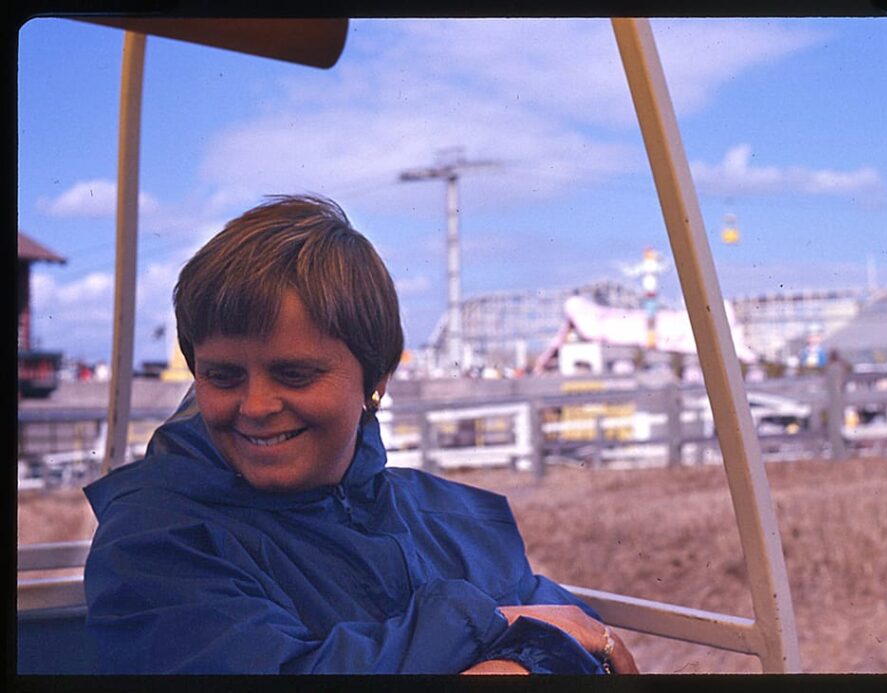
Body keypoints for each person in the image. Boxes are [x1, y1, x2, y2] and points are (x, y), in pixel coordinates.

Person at [83, 194, 638, 675]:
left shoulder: (450, 517)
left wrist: (514, 653)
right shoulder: (155, 540)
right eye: (223, 376)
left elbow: (574, 632)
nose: (255, 406)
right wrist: (500, 627)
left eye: (294, 373)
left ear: (376, 378)